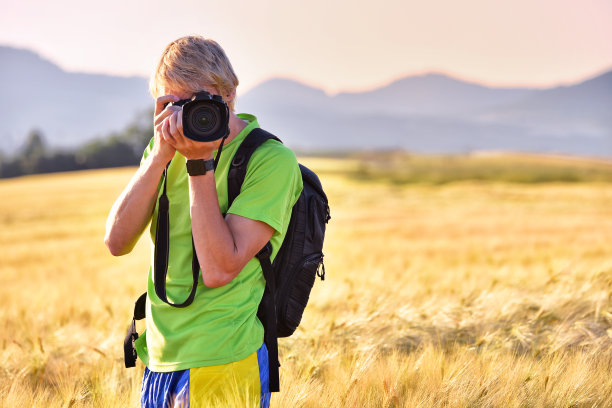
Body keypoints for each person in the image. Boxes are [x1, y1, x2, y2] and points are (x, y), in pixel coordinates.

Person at [104, 35, 302, 407]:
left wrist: (199, 163)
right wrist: (160, 156)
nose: (185, 116)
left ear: (228, 95)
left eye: (197, 102)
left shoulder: (269, 160)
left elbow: (218, 268)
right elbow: (116, 242)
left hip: (224, 358)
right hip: (158, 361)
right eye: (173, 103)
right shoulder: (164, 149)